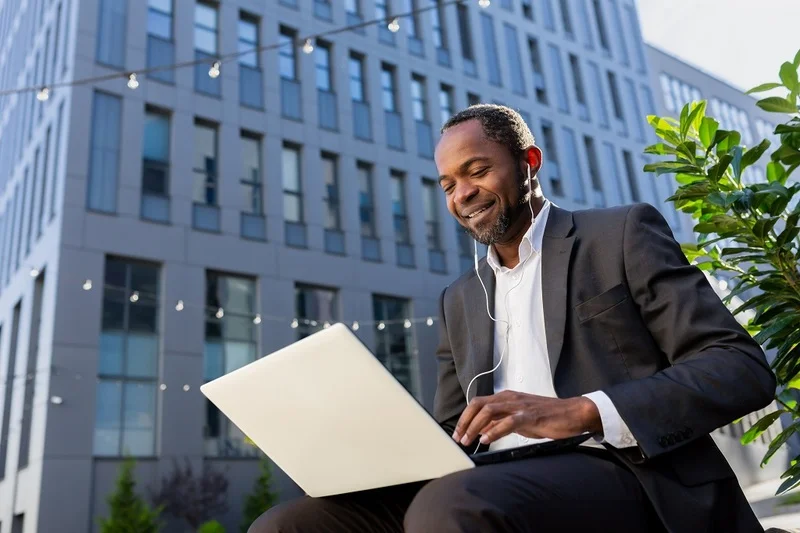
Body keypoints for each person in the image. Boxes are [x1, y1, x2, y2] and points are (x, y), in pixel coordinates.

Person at [250, 105, 776, 532]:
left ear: (529, 161)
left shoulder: (619, 235)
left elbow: (738, 367)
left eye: (477, 171)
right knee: (287, 524)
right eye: (448, 184)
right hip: (485, 477)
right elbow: (453, 432)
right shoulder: (458, 298)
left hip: (625, 472)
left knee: (452, 504)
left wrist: (584, 411)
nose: (462, 195)